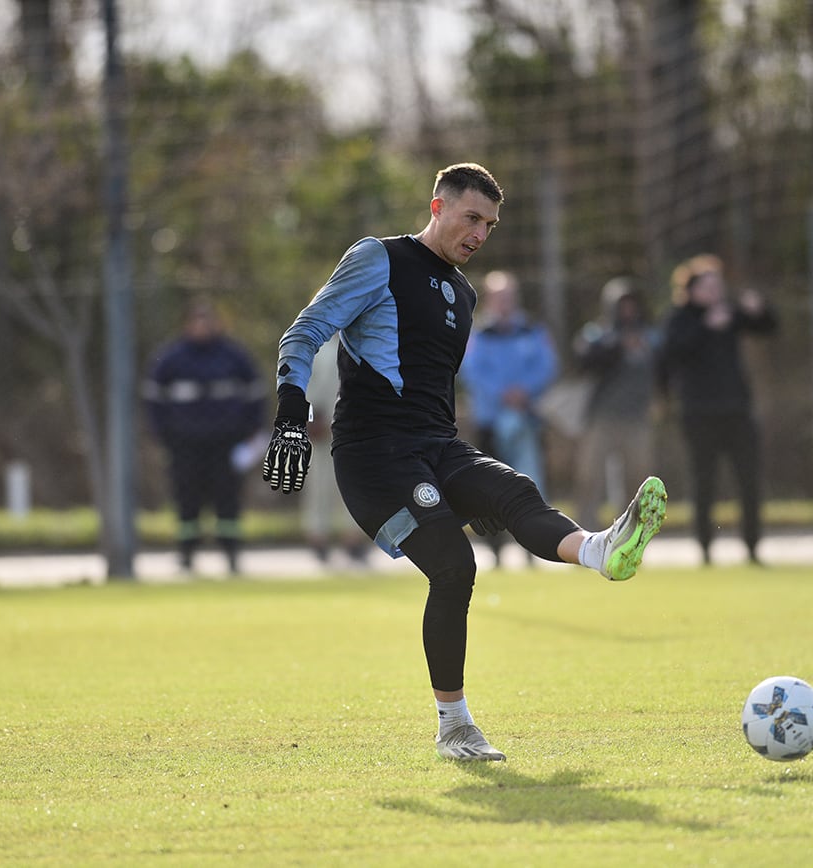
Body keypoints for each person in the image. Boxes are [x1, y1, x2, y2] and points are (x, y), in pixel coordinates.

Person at [261, 162, 668, 762]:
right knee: (454, 565)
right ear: (437, 207)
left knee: (515, 489)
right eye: (471, 218)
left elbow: (431, 388)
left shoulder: (463, 292)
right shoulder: (379, 258)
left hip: (434, 445)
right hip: (373, 458)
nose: (480, 233)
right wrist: (292, 408)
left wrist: (460, 484)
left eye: (491, 225)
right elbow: (304, 332)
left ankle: (600, 551)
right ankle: (454, 728)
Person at [659, 254, 777, 565]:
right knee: (704, 482)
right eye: (708, 286)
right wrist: (705, 328)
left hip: (737, 411)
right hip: (698, 413)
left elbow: (766, 327)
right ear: (692, 289)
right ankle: (705, 547)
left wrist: (760, 308)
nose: (715, 292)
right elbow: (671, 354)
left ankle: (752, 546)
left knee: (749, 480)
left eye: (718, 285)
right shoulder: (681, 318)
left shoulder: (728, 314)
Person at [143, 299, 266, 575]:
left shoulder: (234, 357)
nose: (202, 326)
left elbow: (256, 396)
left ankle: (231, 552)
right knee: (187, 498)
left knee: (228, 498)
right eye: (197, 320)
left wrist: (252, 433)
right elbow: (153, 400)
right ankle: (186, 553)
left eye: (207, 320)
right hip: (185, 443)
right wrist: (162, 435)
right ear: (187, 324)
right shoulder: (171, 358)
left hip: (226, 442)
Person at [459, 269, 558, 567]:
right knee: (489, 488)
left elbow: (547, 365)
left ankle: (534, 544)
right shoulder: (478, 335)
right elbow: (472, 371)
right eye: (498, 297)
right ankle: (496, 548)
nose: (504, 303)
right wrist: (502, 393)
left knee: (532, 482)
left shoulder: (532, 330)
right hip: (491, 421)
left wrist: (523, 391)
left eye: (509, 297)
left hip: (528, 419)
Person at [571, 276, 661, 529]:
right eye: (623, 305)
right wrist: (618, 347)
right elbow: (583, 362)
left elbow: (665, 370)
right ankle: (584, 534)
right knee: (589, 478)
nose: (628, 311)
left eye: (632, 305)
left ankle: (630, 534)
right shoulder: (597, 333)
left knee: (638, 479)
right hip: (601, 418)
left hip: (637, 418)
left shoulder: (650, 338)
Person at [301, 336, 371, 567]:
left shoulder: (362, 348)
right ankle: (318, 536)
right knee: (321, 485)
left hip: (355, 430)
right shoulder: (321, 352)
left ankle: (354, 538)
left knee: (355, 487)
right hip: (327, 431)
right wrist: (311, 418)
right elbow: (308, 389)